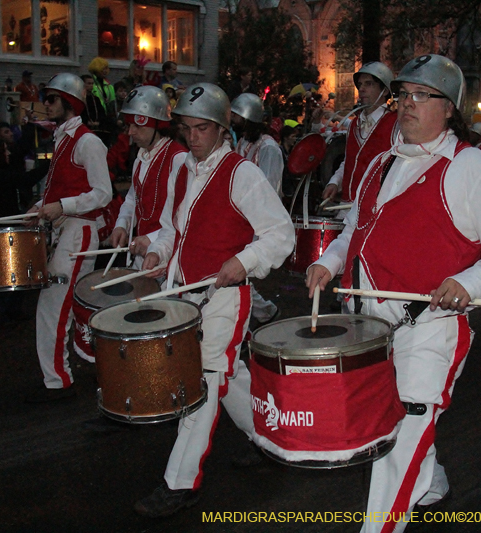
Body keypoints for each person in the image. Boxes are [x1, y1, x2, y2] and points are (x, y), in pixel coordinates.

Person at [306, 54, 481, 533]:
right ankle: (431, 483)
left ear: (449, 107)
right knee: (397, 424)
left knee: (395, 441)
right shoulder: (381, 164)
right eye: (403, 95)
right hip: (370, 330)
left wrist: (471, 282)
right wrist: (327, 263)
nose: (407, 105)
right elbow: (355, 228)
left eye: (420, 96)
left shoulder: (471, 167)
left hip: (430, 330)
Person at [134, 82, 294, 517]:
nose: (193, 137)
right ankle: (272, 437)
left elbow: (282, 235)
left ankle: (180, 484)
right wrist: (156, 250)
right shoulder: (180, 169)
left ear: (224, 128)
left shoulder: (242, 173)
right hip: (183, 294)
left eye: (203, 128)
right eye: (186, 128)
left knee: (202, 380)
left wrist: (244, 261)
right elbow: (172, 229)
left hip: (227, 298)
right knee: (227, 374)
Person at [23, 73, 112, 403]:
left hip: (79, 231)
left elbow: (103, 193)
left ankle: (58, 379)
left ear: (69, 103)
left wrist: (60, 206)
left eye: (51, 99)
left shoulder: (88, 142)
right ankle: (73, 369)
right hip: (68, 228)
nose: (45, 104)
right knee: (72, 305)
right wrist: (39, 207)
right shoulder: (64, 139)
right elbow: (60, 188)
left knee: (55, 305)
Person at [0, 137, 47, 329]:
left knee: (18, 270)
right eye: (4, 150)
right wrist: (51, 164)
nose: (8, 153)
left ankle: (13, 309)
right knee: (2, 275)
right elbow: (25, 179)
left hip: (7, 227)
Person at [109, 86, 187, 270]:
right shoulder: (141, 157)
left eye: (138, 126)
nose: (130, 132)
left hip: (169, 256)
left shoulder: (179, 159)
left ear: (158, 125)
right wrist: (122, 225)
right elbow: (132, 200)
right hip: (143, 253)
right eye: (129, 126)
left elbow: (185, 218)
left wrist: (152, 240)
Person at [230, 92, 284, 324]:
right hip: (241, 215)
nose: (234, 123)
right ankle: (262, 312)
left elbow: (268, 189)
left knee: (240, 272)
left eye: (237, 118)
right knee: (237, 272)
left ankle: (262, 312)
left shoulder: (269, 148)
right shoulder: (243, 142)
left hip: (257, 218)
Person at [321, 62, 399, 208]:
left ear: (385, 91)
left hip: (376, 208)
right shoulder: (354, 124)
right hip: (347, 206)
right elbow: (348, 161)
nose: (361, 89)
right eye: (360, 84)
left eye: (369, 84)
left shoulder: (396, 124)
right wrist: (334, 183)